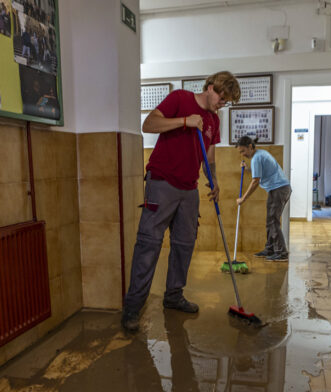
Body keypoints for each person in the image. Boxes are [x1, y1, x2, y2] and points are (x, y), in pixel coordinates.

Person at [122, 71, 241, 332]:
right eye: (222, 97)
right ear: (210, 87)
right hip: (162, 181)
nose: (223, 103)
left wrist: (214, 179)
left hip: (189, 188)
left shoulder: (214, 119)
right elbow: (149, 125)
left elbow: (209, 153)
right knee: (149, 244)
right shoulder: (180, 98)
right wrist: (185, 121)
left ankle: (173, 295)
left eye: (227, 101)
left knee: (184, 243)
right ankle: (132, 307)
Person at [235, 136, 291, 262]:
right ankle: (270, 249)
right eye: (240, 152)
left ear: (250, 146)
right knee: (270, 220)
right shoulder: (260, 154)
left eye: (243, 151)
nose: (242, 155)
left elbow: (255, 181)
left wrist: (243, 199)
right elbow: (258, 174)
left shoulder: (257, 158)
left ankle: (281, 252)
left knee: (273, 221)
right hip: (278, 189)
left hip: (279, 189)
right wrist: (248, 169)